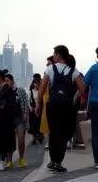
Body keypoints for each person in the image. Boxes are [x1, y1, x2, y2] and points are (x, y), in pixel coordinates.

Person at [36, 45, 86, 173]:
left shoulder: (49, 69)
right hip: (66, 106)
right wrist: (74, 98)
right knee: (64, 133)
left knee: (53, 131)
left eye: (54, 54)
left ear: (58, 55)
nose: (53, 56)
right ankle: (58, 161)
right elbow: (82, 88)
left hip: (52, 104)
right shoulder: (73, 70)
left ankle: (53, 160)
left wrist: (38, 104)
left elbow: (41, 89)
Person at [5, 74, 29, 169]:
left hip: (19, 119)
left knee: (21, 140)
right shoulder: (5, 92)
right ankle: (9, 161)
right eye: (5, 81)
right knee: (9, 141)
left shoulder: (20, 91)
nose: (6, 83)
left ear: (12, 81)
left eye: (8, 81)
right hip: (9, 120)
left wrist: (26, 114)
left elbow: (25, 103)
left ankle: (21, 158)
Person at [40, 56, 54, 149]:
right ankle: (49, 141)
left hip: (52, 101)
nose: (47, 65)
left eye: (48, 64)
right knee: (47, 123)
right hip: (46, 102)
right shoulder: (47, 74)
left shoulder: (52, 74)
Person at [28, 75, 43, 145]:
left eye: (38, 83)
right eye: (35, 83)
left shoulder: (41, 91)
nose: (36, 85)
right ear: (33, 84)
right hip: (32, 108)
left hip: (40, 108)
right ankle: (34, 138)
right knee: (33, 124)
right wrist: (30, 107)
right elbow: (28, 100)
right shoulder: (31, 91)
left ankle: (39, 136)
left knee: (39, 123)